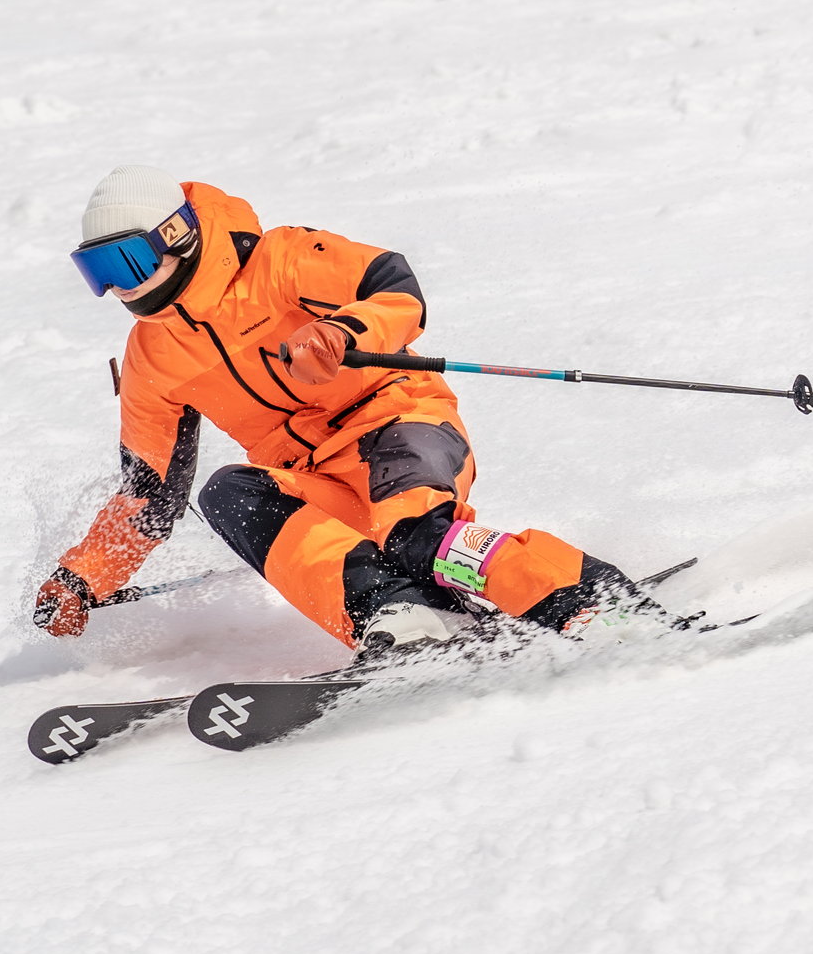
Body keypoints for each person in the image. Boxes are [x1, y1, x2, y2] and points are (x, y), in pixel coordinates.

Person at [34, 166, 659, 656]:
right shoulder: (152, 358)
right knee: (230, 492)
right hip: (317, 480)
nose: (116, 287)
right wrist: (82, 579)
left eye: (125, 263)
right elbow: (150, 493)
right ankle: (402, 615)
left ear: (177, 234)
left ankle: (589, 599)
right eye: (96, 273)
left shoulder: (278, 261)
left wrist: (345, 333)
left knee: (413, 531)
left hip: (397, 424)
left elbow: (392, 283)